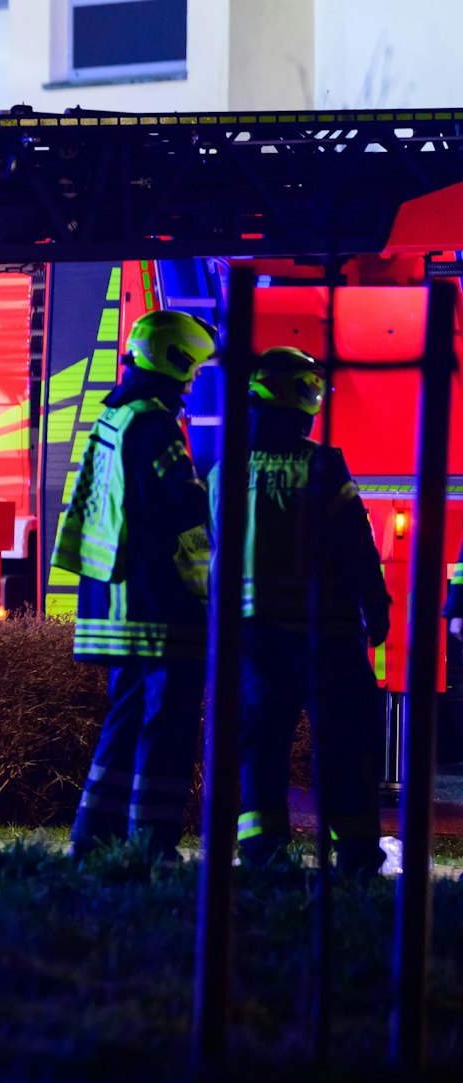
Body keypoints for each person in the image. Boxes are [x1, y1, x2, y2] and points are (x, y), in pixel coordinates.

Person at [214, 348, 390, 876]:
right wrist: (375, 605)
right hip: (324, 633)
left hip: (250, 636)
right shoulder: (321, 465)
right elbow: (355, 543)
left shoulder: (227, 470)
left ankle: (263, 852)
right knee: (344, 739)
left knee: (260, 743)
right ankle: (356, 853)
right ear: (291, 398)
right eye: (310, 391)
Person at [53, 310, 216, 863]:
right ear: (174, 364)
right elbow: (181, 504)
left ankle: (93, 836)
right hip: (156, 603)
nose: (192, 385)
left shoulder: (115, 417)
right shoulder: (154, 424)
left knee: (123, 721)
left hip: (114, 599)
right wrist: (216, 488)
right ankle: (152, 844)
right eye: (191, 373)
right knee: (166, 725)